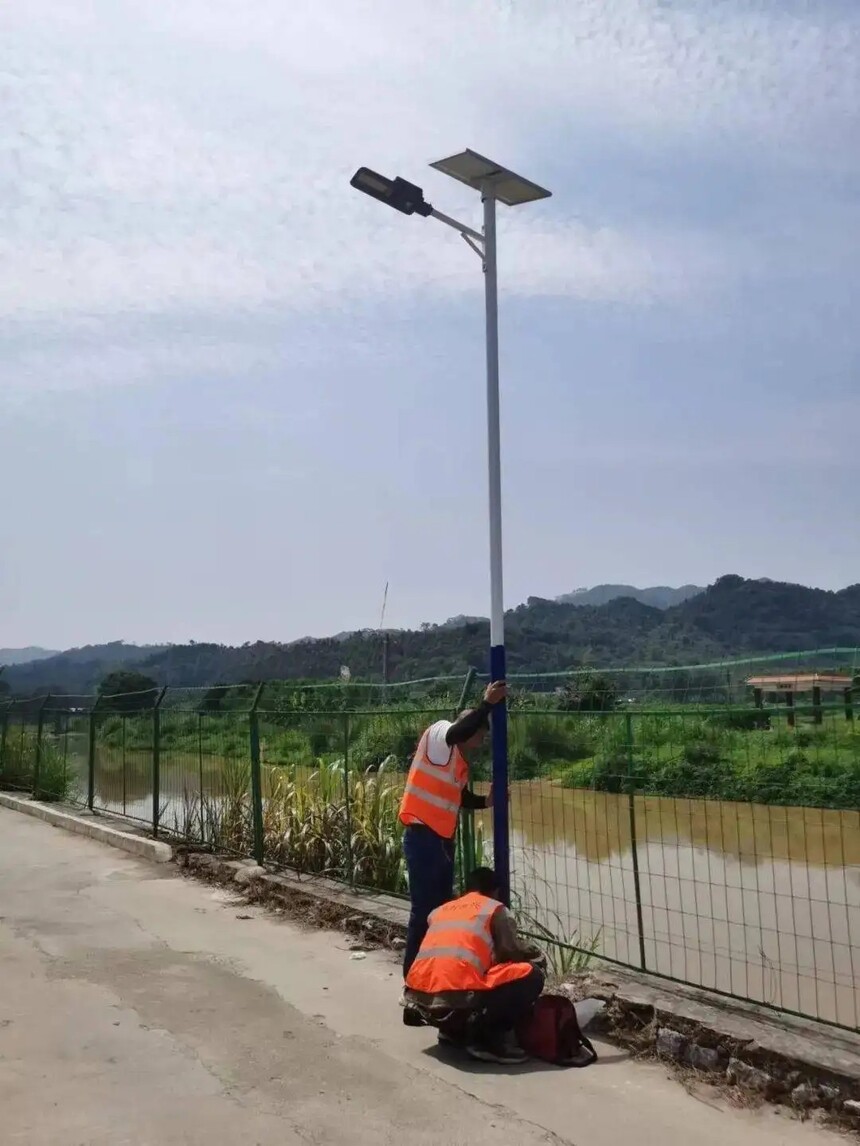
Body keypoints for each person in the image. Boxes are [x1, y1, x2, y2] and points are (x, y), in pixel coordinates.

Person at [398, 680, 507, 1023]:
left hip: (440, 844)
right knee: (424, 915)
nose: (481, 741)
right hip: (422, 838)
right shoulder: (439, 735)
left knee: (439, 918)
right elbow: (460, 729)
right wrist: (486, 704)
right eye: (480, 735)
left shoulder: (457, 763)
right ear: (470, 728)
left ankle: (434, 991)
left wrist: (486, 802)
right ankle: (412, 994)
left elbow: (459, 797)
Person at [403, 867, 545, 1064]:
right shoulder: (494, 909)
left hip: (418, 998)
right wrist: (532, 954)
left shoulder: (441, 910)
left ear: (467, 889)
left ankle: (452, 1030)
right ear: (495, 891)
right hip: (457, 998)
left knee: (463, 975)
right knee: (531, 974)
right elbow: (510, 953)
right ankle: (487, 1041)